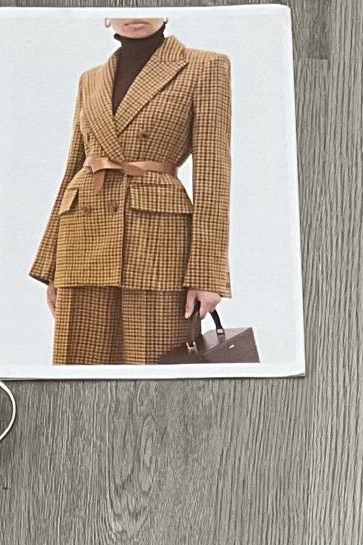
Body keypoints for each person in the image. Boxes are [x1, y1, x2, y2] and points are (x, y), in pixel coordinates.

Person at [30, 18, 232, 366]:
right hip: (83, 236)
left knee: (154, 367)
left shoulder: (205, 66)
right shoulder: (91, 79)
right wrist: (51, 267)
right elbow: (74, 168)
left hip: (156, 238)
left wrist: (207, 273)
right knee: (80, 367)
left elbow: (213, 172)